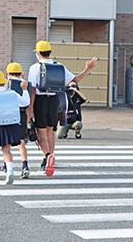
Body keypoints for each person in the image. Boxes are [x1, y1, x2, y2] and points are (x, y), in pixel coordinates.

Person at [27, 40, 97, 176]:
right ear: (50, 52)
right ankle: (49, 157)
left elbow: (33, 90)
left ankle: (47, 156)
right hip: (55, 100)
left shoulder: (34, 68)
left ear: (37, 53)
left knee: (41, 133)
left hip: (40, 101)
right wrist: (87, 68)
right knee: (51, 132)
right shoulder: (59, 66)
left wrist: (30, 109)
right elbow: (75, 80)